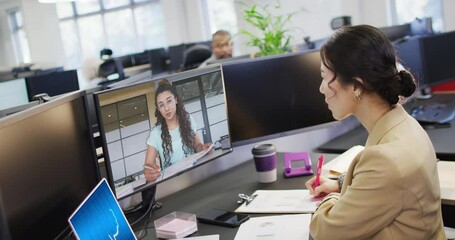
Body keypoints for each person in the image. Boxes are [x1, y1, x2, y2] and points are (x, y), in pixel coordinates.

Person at [305, 25, 446, 239]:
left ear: (356, 87)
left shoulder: (385, 160)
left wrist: (333, 200)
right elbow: (391, 185)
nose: (321, 88)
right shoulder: (405, 124)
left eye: (325, 77)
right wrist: (340, 184)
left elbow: (327, 231)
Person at [143, 79, 210, 182]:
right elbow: (148, 164)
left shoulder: (188, 119)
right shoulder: (156, 133)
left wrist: (203, 148)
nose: (166, 108)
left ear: (176, 100)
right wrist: (148, 171)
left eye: (169, 101)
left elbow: (197, 145)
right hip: (172, 182)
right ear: (158, 109)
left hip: (195, 174)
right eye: (161, 105)